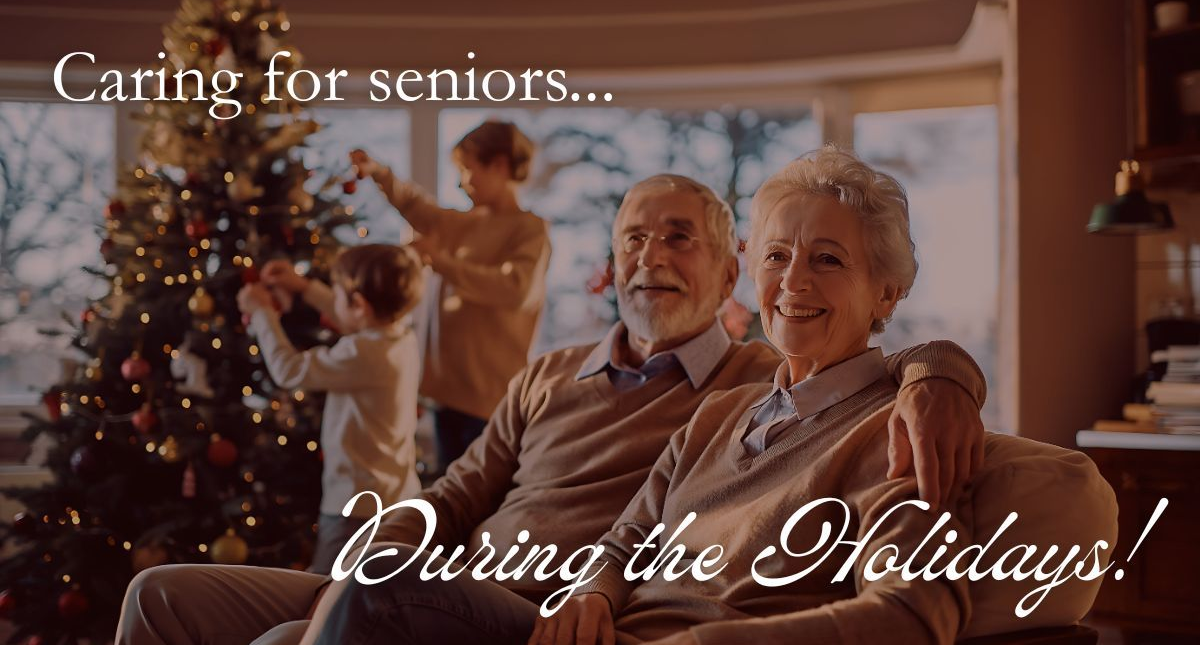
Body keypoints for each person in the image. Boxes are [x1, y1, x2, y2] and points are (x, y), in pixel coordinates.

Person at [116, 174, 986, 645]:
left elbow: (861, 365)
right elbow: (458, 497)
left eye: (680, 236)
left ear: (727, 276)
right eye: (634, 238)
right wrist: (385, 541)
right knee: (163, 596)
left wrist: (940, 372)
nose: (651, 255)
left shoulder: (744, 377)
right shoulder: (563, 378)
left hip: (530, 616)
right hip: (443, 589)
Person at [536, 147, 974, 645]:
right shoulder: (717, 414)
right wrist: (590, 593)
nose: (793, 281)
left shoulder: (898, 430)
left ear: (887, 292)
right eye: (776, 256)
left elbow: (912, 614)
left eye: (827, 259)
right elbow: (624, 543)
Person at [350, 121, 551, 472]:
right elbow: (417, 207)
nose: (461, 182)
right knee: (449, 499)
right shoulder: (463, 223)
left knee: (479, 505)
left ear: (500, 166)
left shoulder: (528, 229)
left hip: (488, 402)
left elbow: (514, 289)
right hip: (445, 395)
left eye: (468, 171)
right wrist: (379, 172)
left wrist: (440, 261)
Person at [235, 244, 424, 575]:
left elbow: (289, 370)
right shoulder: (399, 338)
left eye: (337, 294)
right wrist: (305, 288)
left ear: (359, 304)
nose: (334, 303)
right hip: (396, 496)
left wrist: (263, 313)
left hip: (355, 507)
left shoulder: (363, 352)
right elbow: (353, 316)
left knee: (326, 591)